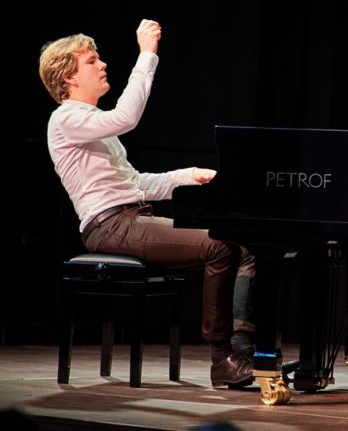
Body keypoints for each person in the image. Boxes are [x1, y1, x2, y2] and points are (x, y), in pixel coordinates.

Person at [39, 19, 256, 388]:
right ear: (68, 77)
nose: (103, 64)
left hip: (130, 220)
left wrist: (190, 175)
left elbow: (135, 184)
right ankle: (222, 359)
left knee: (244, 243)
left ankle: (242, 347)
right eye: (92, 61)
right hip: (109, 226)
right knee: (219, 245)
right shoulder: (66, 119)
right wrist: (147, 54)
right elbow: (127, 117)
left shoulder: (92, 124)